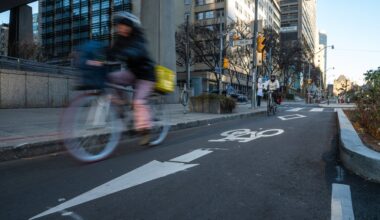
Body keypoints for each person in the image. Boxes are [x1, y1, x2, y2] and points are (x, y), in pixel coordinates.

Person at [107, 12, 156, 145]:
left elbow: (138, 51)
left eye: (123, 26)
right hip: (132, 74)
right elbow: (110, 53)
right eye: (118, 26)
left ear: (130, 27)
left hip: (146, 76)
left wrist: (125, 53)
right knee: (111, 77)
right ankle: (121, 103)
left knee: (139, 102)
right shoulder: (120, 40)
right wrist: (97, 58)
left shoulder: (138, 38)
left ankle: (145, 132)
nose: (120, 29)